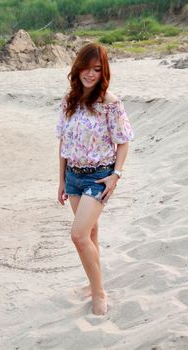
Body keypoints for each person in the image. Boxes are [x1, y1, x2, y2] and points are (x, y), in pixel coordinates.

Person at [56, 43, 134, 315]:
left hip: (99, 178)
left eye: (97, 69)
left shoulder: (110, 104)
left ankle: (99, 293)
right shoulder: (69, 102)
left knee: (78, 236)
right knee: (90, 233)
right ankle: (93, 284)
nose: (90, 74)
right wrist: (61, 181)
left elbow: (123, 143)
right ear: (78, 68)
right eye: (86, 68)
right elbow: (63, 142)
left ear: (103, 72)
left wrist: (116, 176)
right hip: (73, 176)